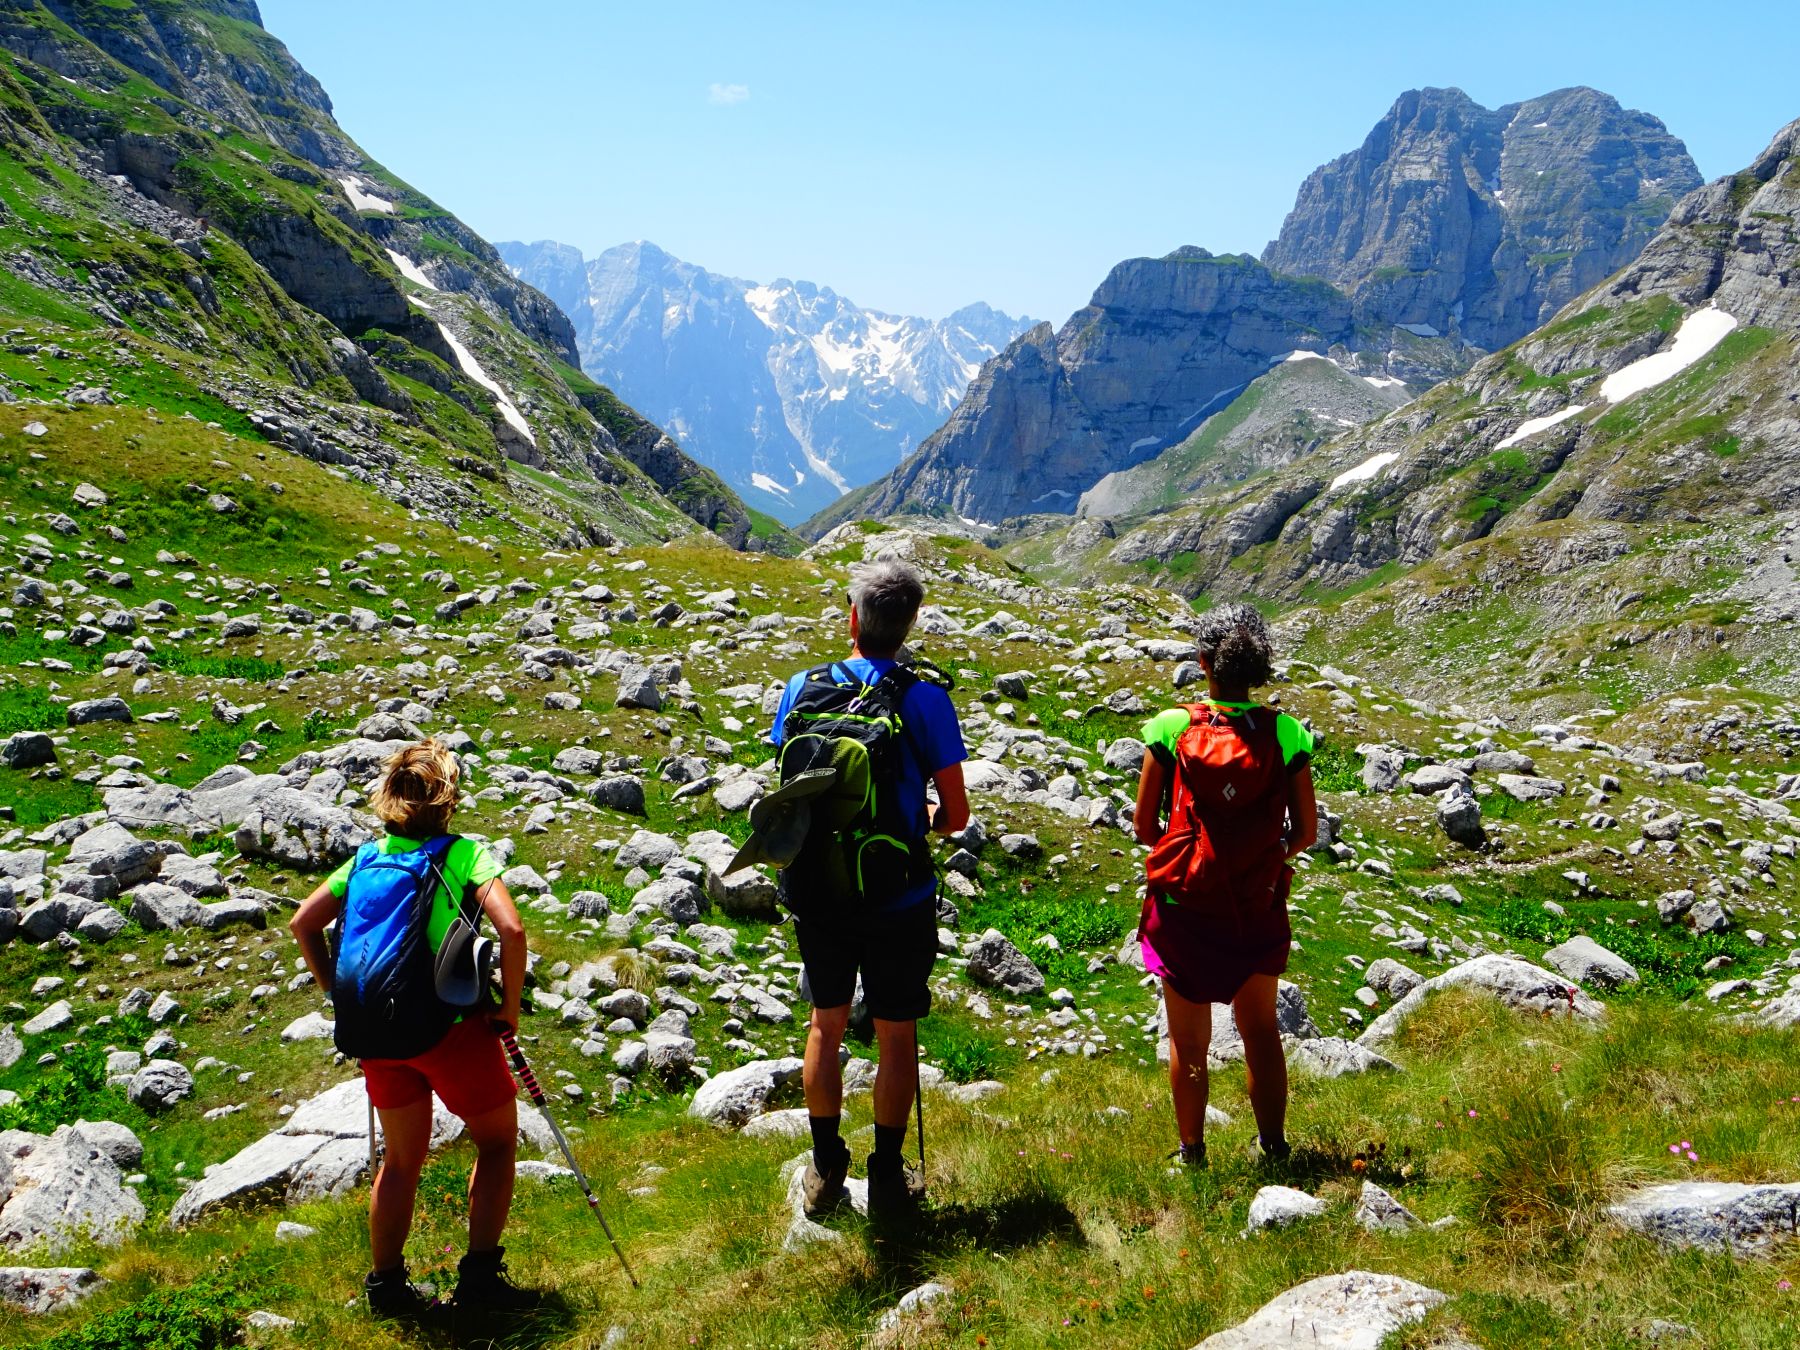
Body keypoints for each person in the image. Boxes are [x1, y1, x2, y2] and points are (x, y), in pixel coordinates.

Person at [289, 740, 537, 1318]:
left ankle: (387, 1288)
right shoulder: (462, 856)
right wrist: (511, 1008)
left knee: (400, 1162)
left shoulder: (367, 859)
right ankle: (478, 1279)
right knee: (498, 1142)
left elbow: (303, 923)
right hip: (448, 1030)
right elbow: (513, 931)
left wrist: (333, 992)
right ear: (448, 801)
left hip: (377, 1034)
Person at [770, 559, 969, 1224]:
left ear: (852, 619)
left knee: (825, 1026)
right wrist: (921, 827)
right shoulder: (924, 699)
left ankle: (827, 1169)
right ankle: (888, 1174)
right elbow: (958, 812)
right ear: (908, 626)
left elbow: (790, 784)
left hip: (818, 891)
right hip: (899, 895)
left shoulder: (802, 686)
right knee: (896, 1033)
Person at [1133, 604, 1317, 1168]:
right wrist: (1262, 860)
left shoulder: (1171, 727)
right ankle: (1275, 1148)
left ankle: (1192, 1153)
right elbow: (1306, 832)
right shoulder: (1286, 733)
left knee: (1189, 1043)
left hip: (1183, 907)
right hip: (1255, 905)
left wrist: (1190, 856)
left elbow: (1144, 827)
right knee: (1260, 1031)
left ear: (1203, 663)